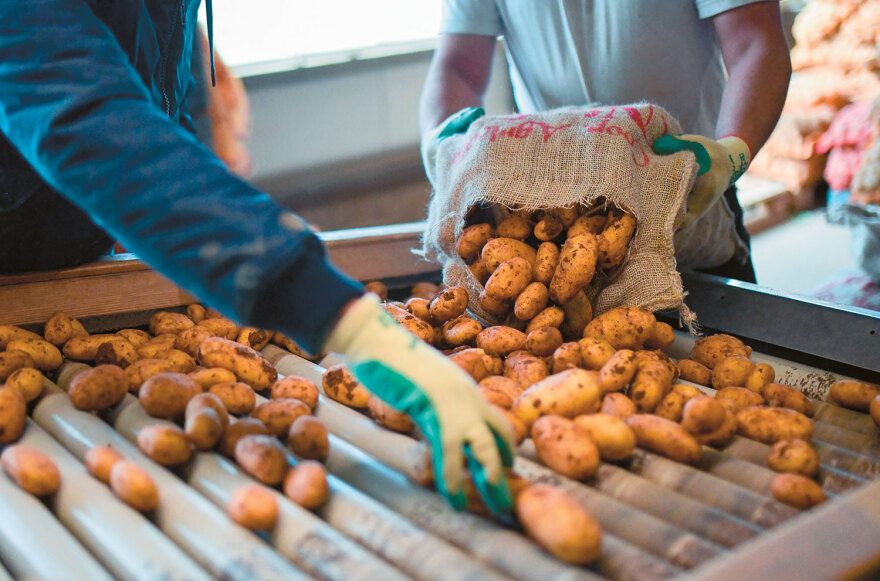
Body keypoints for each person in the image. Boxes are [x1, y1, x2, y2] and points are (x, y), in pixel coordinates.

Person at [0, 0, 513, 514]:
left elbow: (153, 82)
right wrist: (350, 324)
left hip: (74, 263)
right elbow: (84, 114)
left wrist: (176, 234)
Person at [419, 0, 793, 283]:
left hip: (688, 187)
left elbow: (755, 42)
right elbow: (459, 68)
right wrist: (442, 140)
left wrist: (732, 153)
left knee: (723, 357)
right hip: (548, 207)